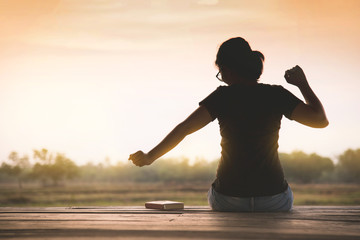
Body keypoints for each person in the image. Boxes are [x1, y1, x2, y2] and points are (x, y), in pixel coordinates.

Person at [128, 37, 328, 212]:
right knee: (283, 194)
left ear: (228, 69)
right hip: (273, 199)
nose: (221, 78)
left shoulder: (222, 97)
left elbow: (185, 128)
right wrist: (302, 84)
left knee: (216, 193)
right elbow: (320, 121)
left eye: (220, 72)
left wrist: (149, 157)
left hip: (229, 199)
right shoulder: (276, 94)